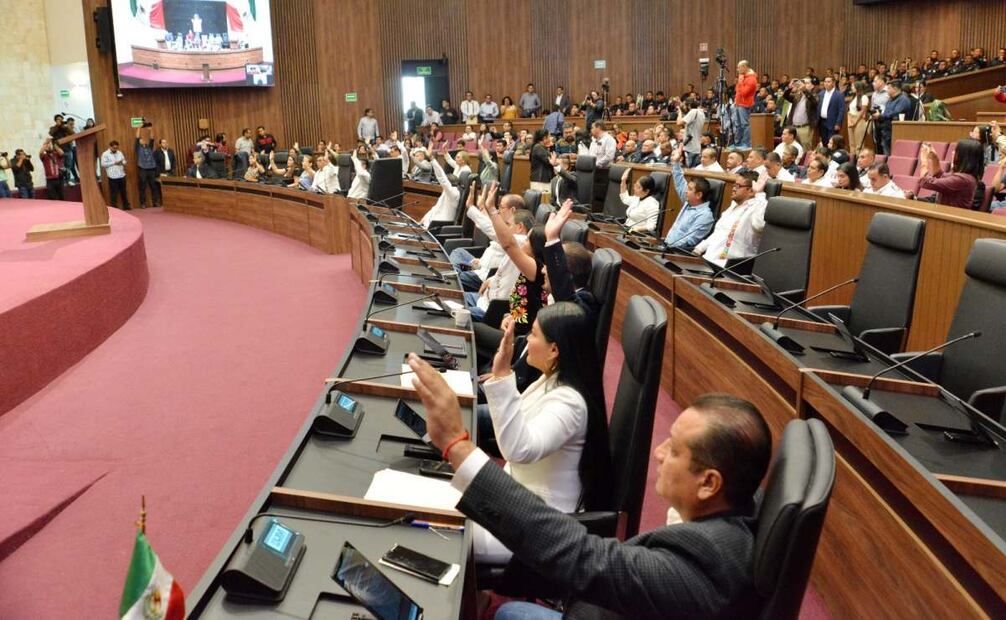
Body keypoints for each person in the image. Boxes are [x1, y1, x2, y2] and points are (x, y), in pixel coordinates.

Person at [406, 354, 773, 620]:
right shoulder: (730, 508)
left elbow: (586, 558)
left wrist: (457, 445)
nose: (658, 453)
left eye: (674, 449)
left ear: (709, 483)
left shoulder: (699, 569)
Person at [693, 171, 766, 267]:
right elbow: (719, 233)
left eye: (738, 186)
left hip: (731, 268)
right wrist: (698, 249)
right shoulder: (733, 206)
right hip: (709, 261)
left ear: (750, 191)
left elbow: (760, 225)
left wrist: (759, 194)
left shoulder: (757, 207)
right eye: (734, 185)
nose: (733, 188)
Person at [665, 145, 715, 250]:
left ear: (699, 195)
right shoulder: (689, 202)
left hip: (677, 252)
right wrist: (676, 162)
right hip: (667, 245)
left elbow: (689, 241)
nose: (686, 191)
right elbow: (679, 181)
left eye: (689, 189)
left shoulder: (705, 216)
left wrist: (667, 247)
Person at [918, 139, 983, 209]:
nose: (952, 152)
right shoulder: (964, 176)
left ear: (964, 156)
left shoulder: (963, 179)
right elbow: (940, 175)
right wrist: (934, 157)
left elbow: (925, 182)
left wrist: (924, 160)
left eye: (956, 151)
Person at [419, 146, 461, 228]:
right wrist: (424, 218)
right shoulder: (447, 192)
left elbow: (442, 178)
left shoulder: (454, 194)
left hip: (440, 225)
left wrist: (432, 159)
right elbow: (436, 208)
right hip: (432, 222)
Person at [618, 168, 659, 233]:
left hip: (636, 234)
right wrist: (623, 180)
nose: (634, 188)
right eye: (635, 185)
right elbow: (624, 198)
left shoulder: (652, 204)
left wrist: (637, 229)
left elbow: (651, 226)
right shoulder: (637, 198)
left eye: (638, 187)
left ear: (647, 191)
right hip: (626, 229)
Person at [784, 79, 818, 150]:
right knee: (791, 148)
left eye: (807, 83)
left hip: (805, 128)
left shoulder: (814, 95)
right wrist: (790, 87)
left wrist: (805, 90)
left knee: (805, 148)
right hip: (793, 127)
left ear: (812, 86)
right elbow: (785, 96)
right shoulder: (796, 96)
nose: (803, 85)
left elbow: (814, 102)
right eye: (803, 83)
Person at [732, 60, 758, 149]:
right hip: (738, 104)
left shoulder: (752, 79)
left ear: (745, 67)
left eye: (739, 67)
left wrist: (740, 82)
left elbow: (744, 93)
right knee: (737, 124)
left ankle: (746, 144)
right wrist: (736, 100)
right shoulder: (743, 77)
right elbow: (738, 92)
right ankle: (737, 143)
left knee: (745, 124)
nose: (737, 69)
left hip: (745, 104)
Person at [817, 76, 846, 146]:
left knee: (832, 142)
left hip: (832, 123)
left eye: (828, 82)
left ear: (833, 83)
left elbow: (841, 110)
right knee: (824, 141)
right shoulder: (821, 94)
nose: (826, 83)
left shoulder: (839, 94)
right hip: (822, 122)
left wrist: (838, 123)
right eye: (825, 82)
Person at [135, 125, 159, 208]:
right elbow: (137, 137)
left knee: (153, 186)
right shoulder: (138, 148)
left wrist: (151, 129)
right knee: (143, 187)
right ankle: (143, 203)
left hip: (152, 169)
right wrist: (139, 128)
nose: (143, 140)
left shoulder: (149, 147)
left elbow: (152, 138)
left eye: (143, 139)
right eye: (141, 139)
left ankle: (155, 202)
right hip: (143, 169)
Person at [101, 140, 130, 210]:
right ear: (110, 147)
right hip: (112, 176)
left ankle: (126, 206)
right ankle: (114, 209)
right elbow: (103, 164)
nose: (115, 149)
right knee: (114, 193)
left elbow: (124, 161)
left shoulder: (119, 152)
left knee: (124, 192)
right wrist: (114, 163)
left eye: (116, 148)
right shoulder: (105, 154)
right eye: (114, 148)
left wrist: (123, 162)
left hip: (121, 175)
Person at [677, 99, 706, 167]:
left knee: (687, 172)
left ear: (689, 105)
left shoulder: (693, 111)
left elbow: (678, 122)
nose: (684, 107)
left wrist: (679, 112)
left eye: (685, 105)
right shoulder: (701, 113)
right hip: (696, 147)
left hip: (690, 147)